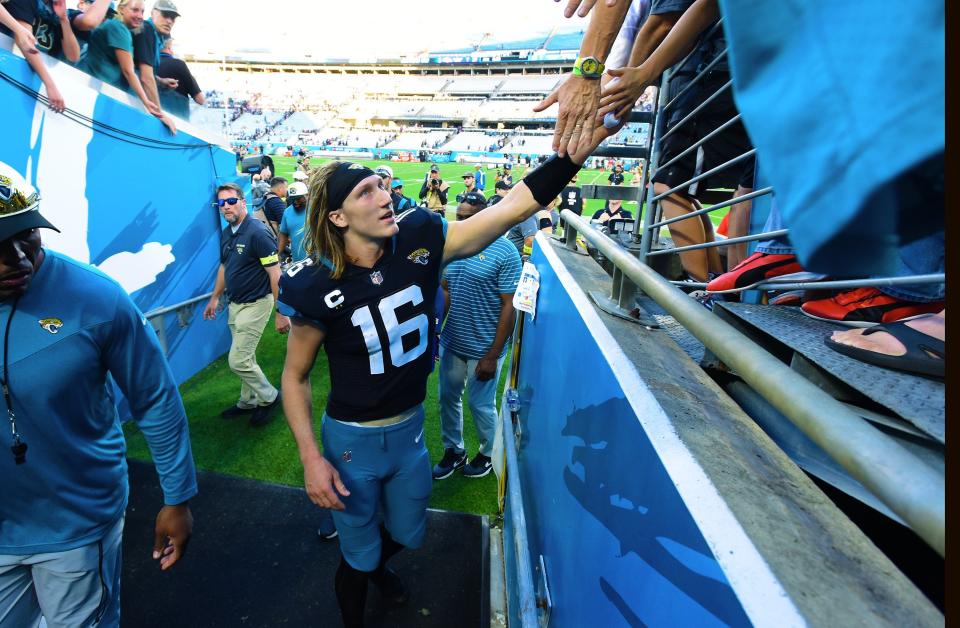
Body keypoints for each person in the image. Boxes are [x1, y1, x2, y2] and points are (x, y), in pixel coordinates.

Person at [277, 121, 616, 627]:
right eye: (366, 191)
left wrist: (572, 157)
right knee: (357, 552)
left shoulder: (420, 237)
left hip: (411, 429)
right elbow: (295, 376)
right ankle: (361, 593)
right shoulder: (315, 283)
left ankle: (375, 568)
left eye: (381, 183)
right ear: (338, 217)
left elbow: (511, 208)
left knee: (409, 532)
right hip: (353, 437)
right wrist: (310, 458)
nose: (384, 194)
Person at [0, 161, 196, 626]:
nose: (20, 258)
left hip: (77, 524)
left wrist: (177, 498)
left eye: (27, 235)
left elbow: (155, 398)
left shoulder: (98, 297)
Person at [433, 192, 520, 480]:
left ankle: (487, 452)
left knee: (480, 404)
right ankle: (454, 451)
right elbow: (445, 289)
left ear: (485, 217)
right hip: (453, 341)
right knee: (447, 397)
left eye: (469, 218)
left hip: (485, 346)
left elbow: (510, 305)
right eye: (458, 216)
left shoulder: (505, 251)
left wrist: (493, 355)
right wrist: (437, 331)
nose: (461, 223)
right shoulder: (451, 245)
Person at [203, 183, 288, 427]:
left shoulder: (257, 233)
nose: (226, 207)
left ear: (243, 201)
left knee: (238, 361)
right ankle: (248, 401)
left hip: (257, 303)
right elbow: (223, 267)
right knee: (245, 356)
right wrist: (215, 297)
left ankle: (269, 397)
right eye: (221, 203)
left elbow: (275, 274)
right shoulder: (227, 232)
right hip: (235, 304)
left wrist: (281, 313)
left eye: (231, 201)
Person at [79, 0, 176, 134]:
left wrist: (160, 80)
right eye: (135, 10)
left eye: (142, 11)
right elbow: (130, 71)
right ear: (122, 9)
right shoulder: (119, 28)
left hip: (100, 94)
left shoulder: (125, 29)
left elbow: (132, 67)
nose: (140, 15)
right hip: (96, 95)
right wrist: (156, 111)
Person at [0, 0, 69, 111]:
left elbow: (73, 55)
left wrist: (64, 19)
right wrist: (50, 84)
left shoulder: (54, 11)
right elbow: (25, 41)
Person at [132, 0, 179, 112]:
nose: (169, 21)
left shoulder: (156, 35)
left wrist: (161, 81)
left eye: (173, 18)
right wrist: (160, 114)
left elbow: (138, 68)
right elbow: (146, 78)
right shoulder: (146, 29)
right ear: (153, 13)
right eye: (165, 15)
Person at [157, 37, 204, 118]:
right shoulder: (179, 64)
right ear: (169, 48)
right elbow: (200, 100)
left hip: (153, 115)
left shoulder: (147, 66)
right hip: (177, 119)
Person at [278, 181, 308, 264]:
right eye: (292, 199)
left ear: (307, 195)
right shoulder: (287, 212)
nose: (295, 202)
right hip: (298, 262)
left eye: (299, 198)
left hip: (319, 262)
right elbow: (283, 234)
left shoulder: (316, 210)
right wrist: (278, 253)